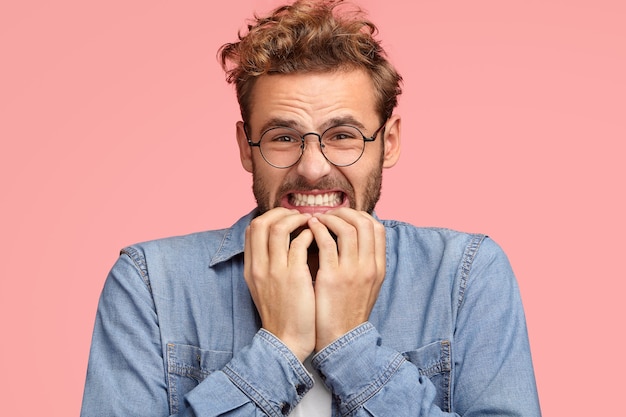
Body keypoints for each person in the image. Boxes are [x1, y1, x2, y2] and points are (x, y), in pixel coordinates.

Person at [80, 0, 541, 415]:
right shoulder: (150, 283)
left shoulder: (466, 273)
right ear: (246, 147)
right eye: (284, 138)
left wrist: (350, 344)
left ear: (390, 142)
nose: (314, 167)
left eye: (343, 136)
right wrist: (280, 346)